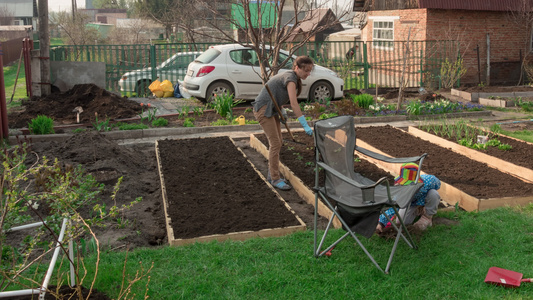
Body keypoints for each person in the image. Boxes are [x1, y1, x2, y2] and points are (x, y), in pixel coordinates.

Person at [251, 56, 315, 191]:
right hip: (264, 109)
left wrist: (282, 111)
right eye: (306, 70)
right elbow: (294, 103)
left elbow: (276, 94)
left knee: (278, 142)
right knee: (275, 143)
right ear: (297, 68)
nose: (308, 73)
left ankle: (271, 174)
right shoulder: (291, 79)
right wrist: (304, 124)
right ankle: (274, 178)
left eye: (310, 71)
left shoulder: (294, 78)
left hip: (273, 109)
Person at [376, 163, 441, 232]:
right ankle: (419, 211)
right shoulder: (401, 190)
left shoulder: (428, 182)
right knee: (401, 222)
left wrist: (427, 202)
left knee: (433, 194)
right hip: (411, 204)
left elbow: (438, 184)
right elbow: (393, 207)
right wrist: (381, 223)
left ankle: (427, 217)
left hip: (424, 200)